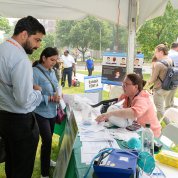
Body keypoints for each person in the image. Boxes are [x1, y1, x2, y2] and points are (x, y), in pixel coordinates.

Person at [0, 16, 45, 178]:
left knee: (11, 164)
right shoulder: (20, 59)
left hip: (4, 118)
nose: (38, 46)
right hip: (20, 123)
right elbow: (24, 100)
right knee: (21, 169)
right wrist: (38, 92)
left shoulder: (3, 49)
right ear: (24, 34)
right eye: (37, 40)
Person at [96, 73, 161, 138]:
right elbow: (117, 110)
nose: (123, 86)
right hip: (135, 130)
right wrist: (105, 117)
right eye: (123, 83)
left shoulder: (143, 98)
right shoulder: (124, 96)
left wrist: (109, 114)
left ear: (136, 87)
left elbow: (134, 113)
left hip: (150, 135)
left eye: (126, 84)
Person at [33, 47, 59, 178]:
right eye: (51, 59)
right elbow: (31, 95)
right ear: (43, 58)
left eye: (55, 60)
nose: (54, 62)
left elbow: (56, 86)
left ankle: (47, 160)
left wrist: (58, 95)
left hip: (52, 111)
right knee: (47, 140)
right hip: (40, 113)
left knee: (48, 140)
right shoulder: (34, 72)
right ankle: (44, 173)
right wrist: (48, 98)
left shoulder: (53, 71)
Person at [147, 44, 173, 120]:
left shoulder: (158, 64)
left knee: (160, 110)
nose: (155, 54)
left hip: (159, 90)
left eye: (156, 52)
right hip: (167, 88)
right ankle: (157, 125)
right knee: (160, 109)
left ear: (161, 52)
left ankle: (170, 125)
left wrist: (153, 68)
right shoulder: (170, 60)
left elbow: (153, 79)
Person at [166, 42, 178, 110]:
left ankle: (170, 104)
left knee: (169, 88)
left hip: (167, 73)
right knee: (173, 89)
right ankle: (168, 105)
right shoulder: (176, 54)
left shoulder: (167, 53)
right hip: (175, 74)